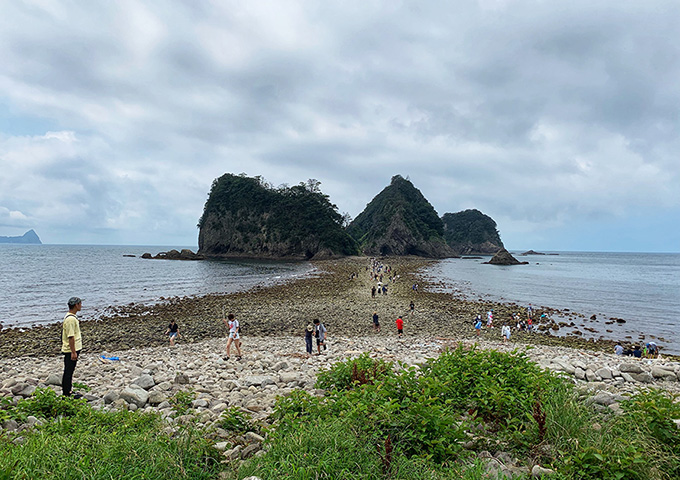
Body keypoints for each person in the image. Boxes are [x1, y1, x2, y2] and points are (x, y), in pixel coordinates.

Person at [61, 297, 83, 398]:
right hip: (70, 350)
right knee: (68, 371)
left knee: (70, 370)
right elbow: (71, 337)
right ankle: (66, 393)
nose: (81, 305)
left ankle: (68, 390)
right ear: (76, 305)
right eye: (80, 304)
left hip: (73, 348)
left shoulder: (72, 317)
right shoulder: (70, 319)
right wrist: (73, 352)